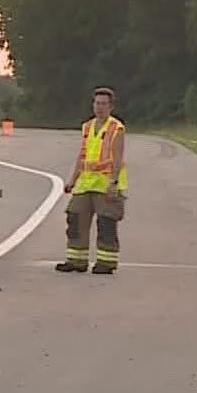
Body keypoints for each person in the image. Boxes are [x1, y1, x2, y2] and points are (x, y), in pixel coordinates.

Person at [58, 86, 125, 274]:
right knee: (75, 217)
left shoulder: (116, 128)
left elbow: (118, 157)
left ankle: (106, 262)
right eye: (97, 103)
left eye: (103, 104)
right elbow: (82, 155)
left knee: (106, 223)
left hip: (106, 184)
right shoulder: (87, 127)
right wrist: (72, 181)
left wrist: (114, 182)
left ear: (110, 107)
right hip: (86, 183)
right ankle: (76, 260)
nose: (99, 107)